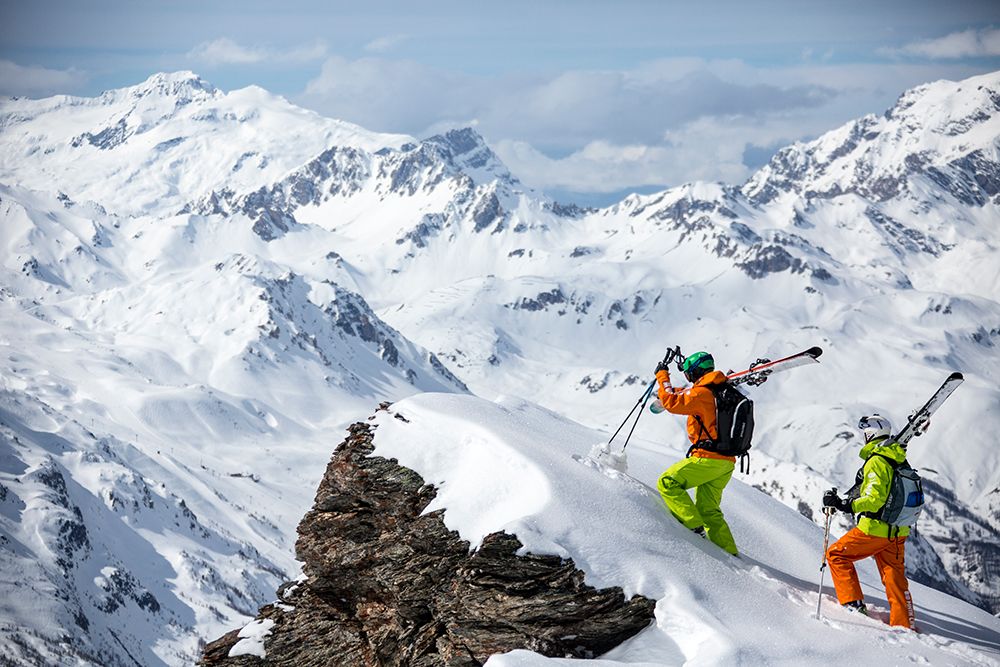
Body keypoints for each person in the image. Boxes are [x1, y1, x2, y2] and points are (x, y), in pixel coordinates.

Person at [822, 414, 915, 629]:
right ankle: (904, 623)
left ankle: (853, 605)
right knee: (893, 576)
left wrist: (846, 505)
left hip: (875, 529)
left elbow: (874, 501)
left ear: (870, 434)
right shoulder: (897, 457)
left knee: (836, 555)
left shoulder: (876, 460)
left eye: (865, 432)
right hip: (898, 530)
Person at [654, 351, 739, 556]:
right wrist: (668, 391)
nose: (687, 378)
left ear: (694, 373)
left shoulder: (702, 394)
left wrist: (662, 377)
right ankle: (729, 552)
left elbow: (673, 403)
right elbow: (685, 397)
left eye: (687, 374)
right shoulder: (718, 391)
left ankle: (693, 528)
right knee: (709, 509)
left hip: (707, 459)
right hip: (726, 462)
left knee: (667, 482)